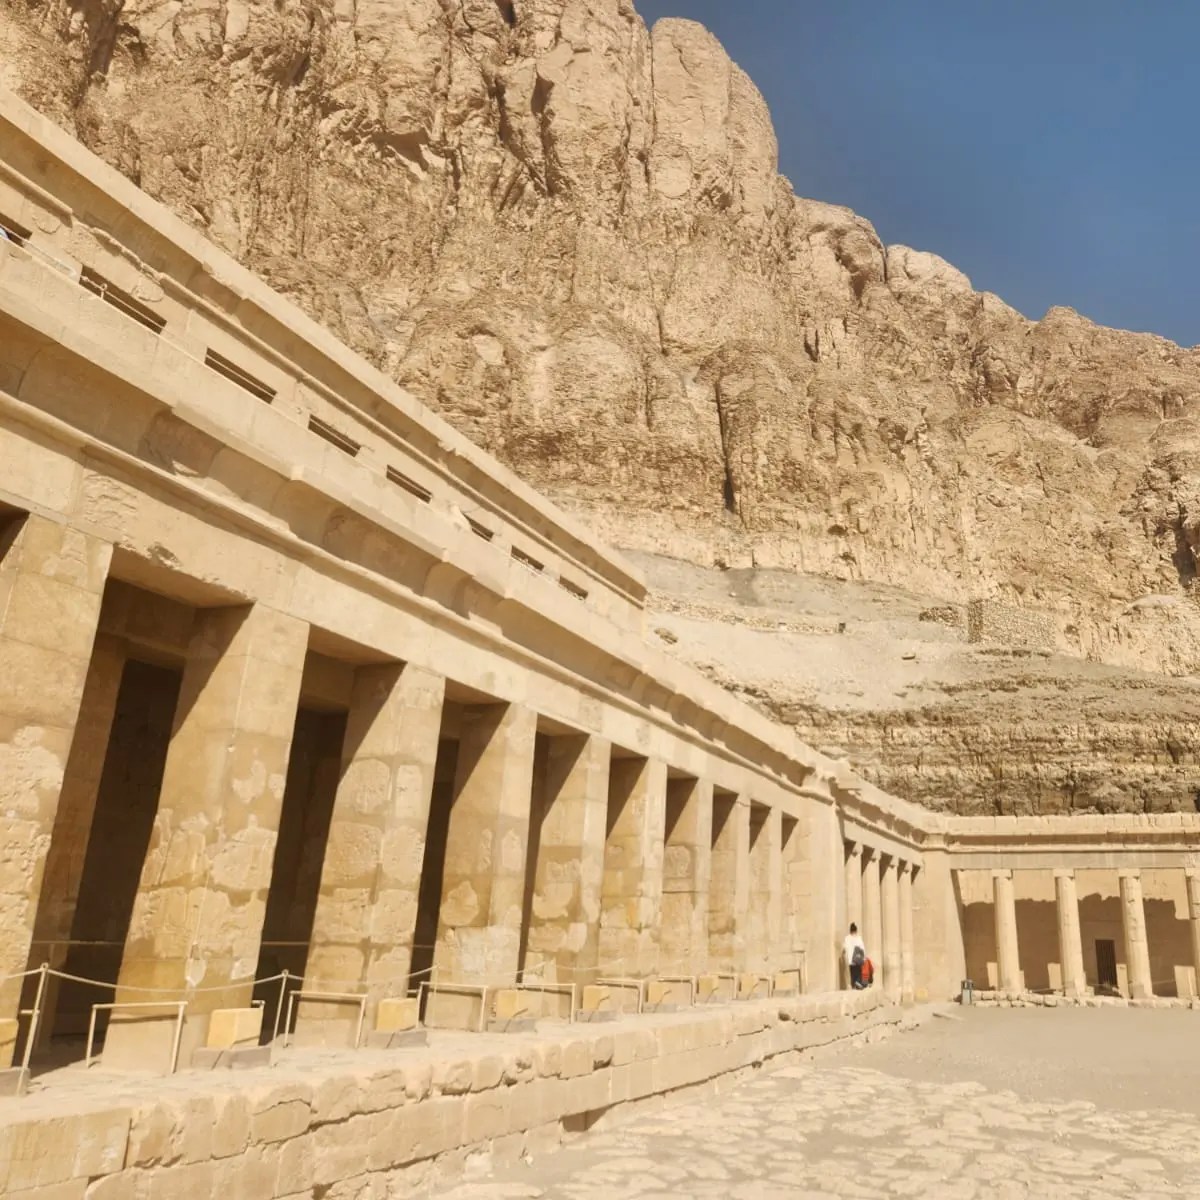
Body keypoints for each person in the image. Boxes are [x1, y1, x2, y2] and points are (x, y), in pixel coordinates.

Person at [842, 922, 867, 990]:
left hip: (850, 959)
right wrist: (864, 958)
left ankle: (853, 985)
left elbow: (844, 948)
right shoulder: (859, 938)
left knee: (852, 973)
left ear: (850, 930)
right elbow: (862, 948)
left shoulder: (847, 938)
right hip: (857, 958)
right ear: (856, 930)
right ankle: (857, 983)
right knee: (858, 972)